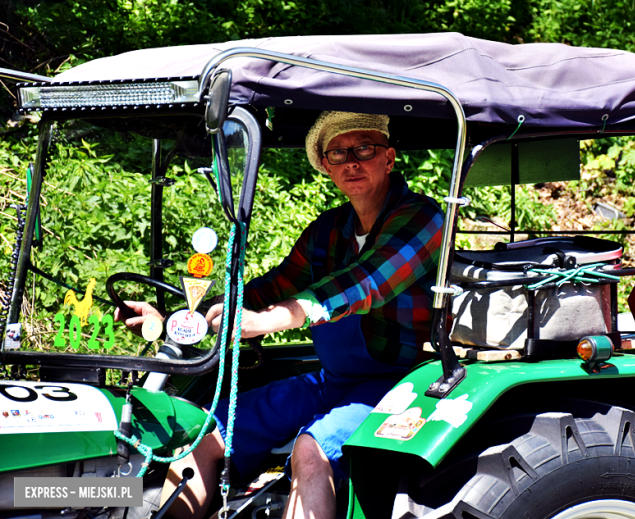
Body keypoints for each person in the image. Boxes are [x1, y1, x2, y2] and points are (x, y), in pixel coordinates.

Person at [117, 111, 444, 519]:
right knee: (202, 432)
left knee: (311, 449)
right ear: (327, 166)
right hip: (332, 381)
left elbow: (367, 282)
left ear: (389, 158)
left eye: (364, 149)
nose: (351, 162)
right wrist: (176, 317)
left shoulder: (424, 218)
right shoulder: (327, 229)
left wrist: (266, 321)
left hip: (400, 381)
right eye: (338, 154)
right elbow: (269, 288)